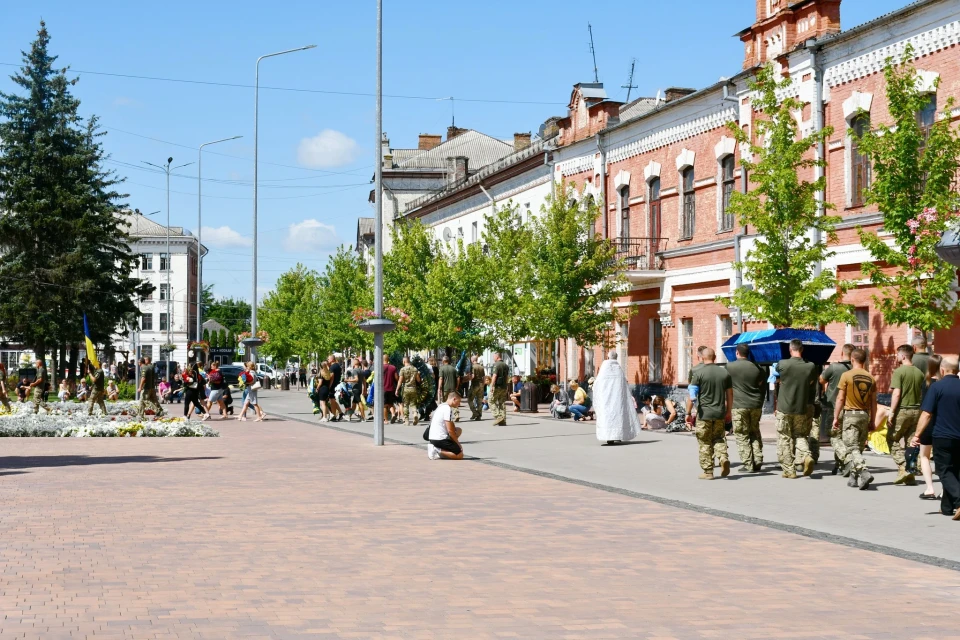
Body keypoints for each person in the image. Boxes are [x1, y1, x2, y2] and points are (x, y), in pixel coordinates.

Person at [912, 357, 960, 520]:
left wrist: (917, 434)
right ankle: (947, 507)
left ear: (943, 370)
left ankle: (959, 500)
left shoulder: (937, 387)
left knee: (944, 470)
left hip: (942, 435)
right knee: (954, 470)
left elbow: (926, 414)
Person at [832, 348, 877, 489]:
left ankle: (864, 471)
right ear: (864, 360)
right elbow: (873, 403)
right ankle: (853, 477)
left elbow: (840, 398)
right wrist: (873, 420)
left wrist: (835, 417)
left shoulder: (846, 375)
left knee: (852, 447)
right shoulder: (871, 378)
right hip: (864, 414)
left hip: (850, 414)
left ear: (852, 359)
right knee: (858, 447)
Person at [686, 347, 732, 479]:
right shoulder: (724, 373)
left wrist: (688, 413)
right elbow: (729, 394)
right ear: (715, 357)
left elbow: (691, 395)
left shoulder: (698, 373)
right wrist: (728, 411)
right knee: (718, 437)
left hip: (704, 413)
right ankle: (723, 457)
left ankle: (708, 471)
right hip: (719, 413)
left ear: (701, 357)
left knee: (704, 441)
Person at [775, 339, 817, 478]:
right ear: (802, 350)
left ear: (790, 349)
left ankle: (789, 470)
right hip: (801, 407)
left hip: (784, 408)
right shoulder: (810, 366)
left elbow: (777, 373)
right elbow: (811, 381)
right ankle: (806, 455)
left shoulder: (783, 363)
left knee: (785, 438)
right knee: (800, 435)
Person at [887, 344, 926, 486]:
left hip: (902, 410)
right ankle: (910, 472)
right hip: (916, 410)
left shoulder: (899, 371)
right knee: (911, 442)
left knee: (892, 439)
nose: (896, 357)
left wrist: (891, 413)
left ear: (903, 356)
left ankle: (903, 467)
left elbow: (896, 393)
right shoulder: (919, 373)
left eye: (897, 355)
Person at [727, 343, 766, 473]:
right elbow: (761, 383)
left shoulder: (730, 366)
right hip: (755, 404)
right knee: (754, 431)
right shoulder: (758, 368)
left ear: (737, 353)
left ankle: (748, 463)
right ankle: (758, 459)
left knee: (742, 434)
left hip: (739, 405)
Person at [592, 350, 641, 445]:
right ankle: (618, 435)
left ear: (608, 357)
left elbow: (598, 382)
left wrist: (597, 390)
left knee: (607, 416)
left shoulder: (605, 367)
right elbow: (623, 385)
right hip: (617, 399)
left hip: (606, 398)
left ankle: (608, 436)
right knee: (618, 416)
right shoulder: (618, 368)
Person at [820, 344, 854, 475]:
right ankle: (839, 465)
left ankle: (846, 460)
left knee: (834, 436)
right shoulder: (855, 368)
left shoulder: (834, 367)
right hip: (850, 408)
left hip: (833, 406)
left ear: (842, 353)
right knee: (844, 438)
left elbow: (822, 380)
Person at [919, 354, 943, 500]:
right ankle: (945, 490)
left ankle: (929, 488)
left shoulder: (927, 383)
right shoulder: (946, 384)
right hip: (943, 423)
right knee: (944, 460)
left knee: (924, 456)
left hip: (928, 424)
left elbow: (924, 408)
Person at [427, 392, 464, 460]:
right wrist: (458, 444)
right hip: (439, 439)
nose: (459, 404)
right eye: (458, 402)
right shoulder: (447, 409)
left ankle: (441, 451)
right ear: (454, 399)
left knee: (458, 430)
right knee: (459, 455)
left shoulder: (441, 406)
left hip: (432, 437)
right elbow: (450, 431)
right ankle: (436, 449)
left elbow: (451, 426)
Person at [398, 356, 421, 426]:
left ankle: (407, 421)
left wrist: (397, 389)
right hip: (413, 388)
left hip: (406, 389)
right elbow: (418, 380)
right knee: (413, 404)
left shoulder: (402, 369)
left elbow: (400, 381)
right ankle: (415, 413)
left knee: (406, 405)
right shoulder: (415, 369)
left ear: (404, 361)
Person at [438, 356, 461, 422]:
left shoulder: (441, 369)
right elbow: (458, 378)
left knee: (446, 403)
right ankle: (456, 414)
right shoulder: (453, 368)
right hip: (453, 388)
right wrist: (457, 386)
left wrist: (439, 387)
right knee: (454, 401)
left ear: (443, 361)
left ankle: (447, 416)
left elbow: (441, 378)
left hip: (445, 389)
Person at [490, 352, 510, 426]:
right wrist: (506, 385)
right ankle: (503, 420)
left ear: (497, 357)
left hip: (497, 386)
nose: (493, 358)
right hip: (504, 386)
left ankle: (498, 416)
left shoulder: (496, 365)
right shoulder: (506, 365)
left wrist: (491, 386)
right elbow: (507, 377)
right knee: (502, 403)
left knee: (491, 401)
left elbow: (494, 376)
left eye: (494, 357)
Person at [467, 355, 485, 421]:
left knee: (470, 399)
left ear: (472, 360)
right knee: (479, 401)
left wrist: (468, 378)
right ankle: (479, 416)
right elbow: (484, 377)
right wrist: (483, 384)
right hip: (481, 385)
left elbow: (473, 376)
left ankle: (475, 413)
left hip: (475, 384)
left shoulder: (473, 367)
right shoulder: (481, 367)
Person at [382, 355, 399, 424]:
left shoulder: (380, 367)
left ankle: (385, 420)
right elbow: (396, 378)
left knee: (384, 405)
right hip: (391, 388)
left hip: (383, 388)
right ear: (388, 359)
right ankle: (393, 414)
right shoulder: (393, 367)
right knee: (390, 404)